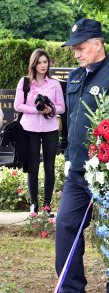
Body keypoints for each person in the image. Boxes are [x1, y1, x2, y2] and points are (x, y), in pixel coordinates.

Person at [55, 18, 109, 292]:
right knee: (66, 225)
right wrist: (68, 157)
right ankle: (70, 286)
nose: (76, 53)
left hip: (107, 173)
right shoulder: (75, 76)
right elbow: (72, 120)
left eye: (80, 47)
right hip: (77, 171)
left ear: (98, 44)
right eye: (74, 48)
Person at [14, 48, 65, 218]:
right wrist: (37, 110)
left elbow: (62, 107)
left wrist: (50, 109)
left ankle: (47, 205)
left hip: (50, 129)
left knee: (49, 167)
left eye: (45, 62)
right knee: (33, 166)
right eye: (39, 62)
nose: (43, 65)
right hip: (30, 129)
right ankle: (34, 205)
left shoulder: (55, 84)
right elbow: (17, 105)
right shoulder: (25, 82)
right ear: (33, 64)